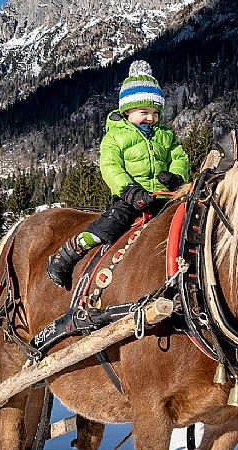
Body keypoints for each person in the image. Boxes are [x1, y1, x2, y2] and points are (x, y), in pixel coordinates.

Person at [47, 60, 190, 289]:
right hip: (131, 198)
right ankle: (71, 251)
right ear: (127, 110)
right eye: (144, 112)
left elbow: (179, 157)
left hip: (164, 196)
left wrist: (176, 178)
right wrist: (129, 191)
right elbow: (111, 167)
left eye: (155, 112)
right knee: (111, 226)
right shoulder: (116, 137)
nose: (151, 118)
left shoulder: (165, 135)